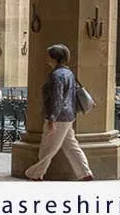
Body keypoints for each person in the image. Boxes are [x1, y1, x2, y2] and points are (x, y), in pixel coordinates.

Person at [24, 44, 93, 181]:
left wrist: (51, 119)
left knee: (48, 147)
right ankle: (85, 172)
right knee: (71, 145)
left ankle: (36, 173)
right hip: (69, 115)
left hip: (59, 117)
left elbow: (57, 98)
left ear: (54, 57)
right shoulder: (68, 73)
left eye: (48, 55)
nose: (46, 58)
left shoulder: (56, 75)